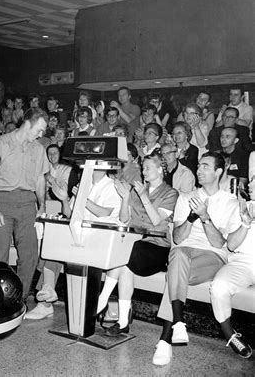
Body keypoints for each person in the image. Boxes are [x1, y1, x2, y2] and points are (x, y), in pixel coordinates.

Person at [152, 152, 239, 366]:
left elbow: (220, 244)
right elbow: (178, 238)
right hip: (184, 253)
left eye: (205, 167)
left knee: (174, 273)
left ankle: (166, 338)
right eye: (199, 166)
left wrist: (204, 216)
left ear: (219, 171)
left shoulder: (229, 201)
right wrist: (191, 216)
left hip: (212, 256)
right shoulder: (185, 197)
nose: (199, 170)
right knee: (178, 255)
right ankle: (178, 323)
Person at [25, 167, 122, 320]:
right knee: (53, 240)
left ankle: (45, 301)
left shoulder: (113, 186)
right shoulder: (83, 185)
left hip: (101, 238)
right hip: (81, 235)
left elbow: (104, 213)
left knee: (58, 243)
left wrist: (82, 198)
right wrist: (64, 199)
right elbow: (70, 214)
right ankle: (47, 292)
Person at [100, 151, 178, 336]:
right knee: (126, 262)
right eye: (143, 167)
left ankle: (102, 299)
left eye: (148, 167)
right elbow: (124, 219)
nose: (143, 171)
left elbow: (157, 221)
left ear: (160, 170)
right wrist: (126, 197)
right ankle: (123, 321)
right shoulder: (136, 191)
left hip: (157, 247)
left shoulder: (171, 193)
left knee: (127, 251)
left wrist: (143, 196)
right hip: (135, 246)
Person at [0, 108, 49, 298]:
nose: (41, 134)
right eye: (40, 130)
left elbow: (40, 180)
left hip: (28, 203)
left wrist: (42, 205)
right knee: (0, 254)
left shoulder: (38, 148)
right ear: (28, 124)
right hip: (2, 202)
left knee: (29, 255)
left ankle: (18, 298)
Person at [209, 181, 254, 359]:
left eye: (254, 179)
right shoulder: (240, 207)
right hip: (242, 262)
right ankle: (230, 334)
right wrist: (245, 224)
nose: (249, 183)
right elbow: (232, 244)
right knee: (219, 286)